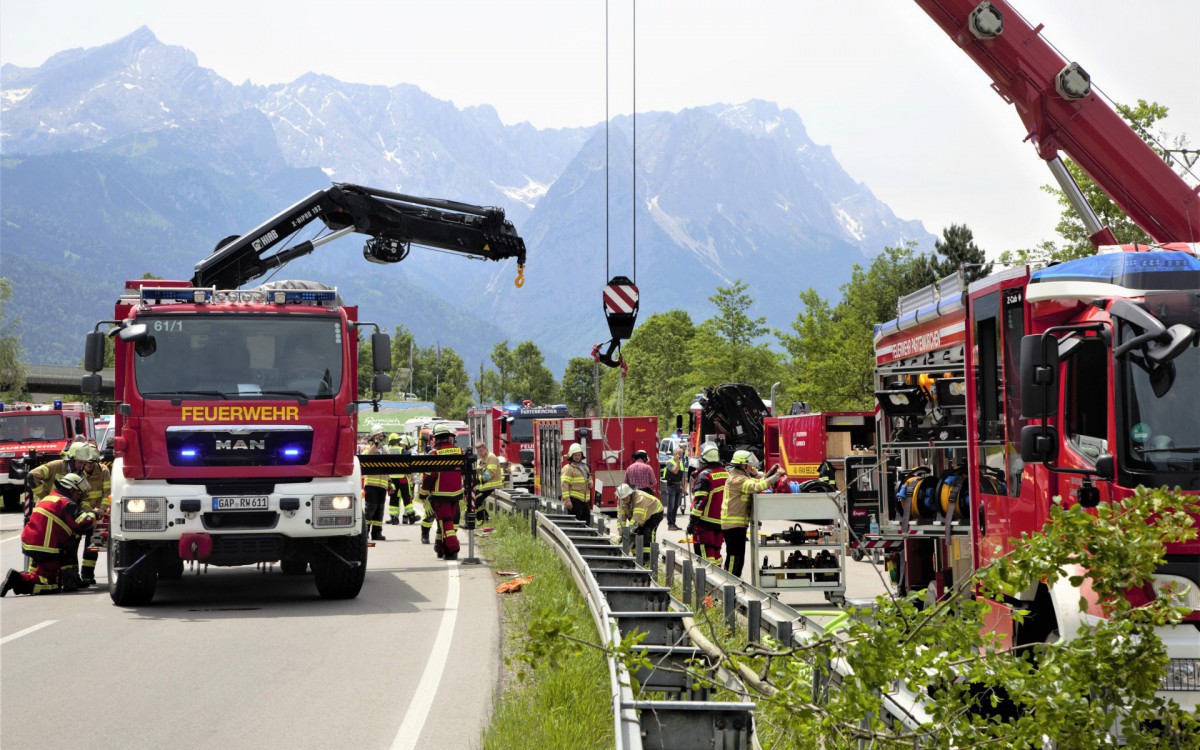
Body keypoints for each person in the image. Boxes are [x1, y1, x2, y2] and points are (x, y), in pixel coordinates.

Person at [2, 473, 96, 596]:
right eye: (78, 492)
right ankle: (18, 580)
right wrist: (95, 514)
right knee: (52, 586)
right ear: (71, 489)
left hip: (31, 543)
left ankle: (23, 578)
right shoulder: (66, 503)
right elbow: (83, 522)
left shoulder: (49, 498)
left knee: (41, 574)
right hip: (45, 548)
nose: (79, 496)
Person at [723, 450, 785, 578]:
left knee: (738, 558)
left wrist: (771, 472)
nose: (752, 467)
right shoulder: (737, 479)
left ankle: (732, 586)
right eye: (750, 464)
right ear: (743, 465)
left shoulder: (741, 476)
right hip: (733, 526)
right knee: (734, 559)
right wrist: (777, 475)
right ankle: (728, 586)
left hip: (736, 525)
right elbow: (757, 487)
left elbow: (757, 482)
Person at [419, 422, 465, 560]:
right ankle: (440, 548)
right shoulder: (459, 451)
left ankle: (452, 550)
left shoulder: (434, 453)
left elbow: (429, 476)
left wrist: (423, 493)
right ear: (448, 437)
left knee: (446, 523)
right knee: (443, 522)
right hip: (456, 494)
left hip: (440, 496)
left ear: (436, 439)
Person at [687, 442, 727, 565]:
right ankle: (718, 579)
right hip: (721, 522)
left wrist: (692, 522)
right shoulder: (726, 473)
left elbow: (700, 501)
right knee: (716, 552)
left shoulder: (705, 476)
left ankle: (706, 581)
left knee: (705, 555)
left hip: (705, 523)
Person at [616, 483, 664, 557]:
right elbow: (621, 518)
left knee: (647, 531)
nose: (624, 499)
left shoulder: (640, 499)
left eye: (625, 497)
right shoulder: (621, 501)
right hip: (641, 516)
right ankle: (637, 555)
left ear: (630, 493)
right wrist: (621, 531)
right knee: (636, 533)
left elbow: (636, 519)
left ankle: (648, 557)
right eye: (622, 498)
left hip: (654, 512)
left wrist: (628, 532)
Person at [361, 427, 389, 541]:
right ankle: (365, 531)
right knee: (370, 508)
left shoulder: (384, 450)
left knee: (380, 509)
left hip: (382, 484)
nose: (380, 437)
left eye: (381, 435)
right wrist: (375, 444)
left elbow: (388, 466)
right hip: (371, 483)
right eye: (378, 435)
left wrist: (390, 481)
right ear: (373, 436)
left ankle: (377, 533)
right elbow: (366, 457)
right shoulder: (368, 448)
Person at [386, 434, 419, 525]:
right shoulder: (402, 450)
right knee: (406, 497)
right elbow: (409, 460)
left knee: (394, 498)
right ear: (397, 442)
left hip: (392, 479)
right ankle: (411, 516)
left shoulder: (387, 452)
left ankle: (394, 518)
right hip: (402, 478)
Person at [560, 443, 592, 524]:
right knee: (574, 524)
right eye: (575, 455)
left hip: (584, 500)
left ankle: (585, 536)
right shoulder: (568, 468)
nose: (577, 457)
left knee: (586, 523)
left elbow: (589, 478)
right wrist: (567, 500)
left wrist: (591, 483)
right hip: (574, 501)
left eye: (578, 455)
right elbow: (564, 484)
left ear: (581, 456)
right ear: (571, 456)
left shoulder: (585, 467)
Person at [474, 441, 503, 524]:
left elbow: (491, 473)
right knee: (475, 501)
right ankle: (484, 519)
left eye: (481, 451)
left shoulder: (491, 457)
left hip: (492, 485)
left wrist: (480, 480)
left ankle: (484, 519)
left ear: (486, 449)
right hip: (484, 486)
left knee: (476, 500)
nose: (480, 453)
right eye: (478, 451)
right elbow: (479, 471)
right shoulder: (481, 459)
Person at [661, 447, 688, 531]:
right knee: (671, 506)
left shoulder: (681, 463)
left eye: (681, 454)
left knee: (676, 506)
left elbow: (682, 476)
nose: (681, 456)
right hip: (671, 486)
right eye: (679, 454)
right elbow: (675, 471)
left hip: (678, 486)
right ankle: (670, 524)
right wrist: (677, 461)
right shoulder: (669, 462)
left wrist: (684, 488)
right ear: (675, 454)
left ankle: (673, 523)